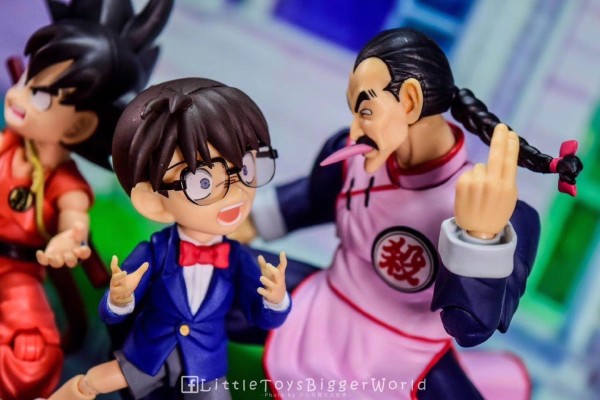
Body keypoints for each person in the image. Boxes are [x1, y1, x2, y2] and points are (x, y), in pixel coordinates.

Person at [238, 29, 582, 399]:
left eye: (365, 111)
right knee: (209, 271)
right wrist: (234, 225)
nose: (355, 129)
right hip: (324, 303)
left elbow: (468, 328)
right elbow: (308, 201)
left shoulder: (507, 217)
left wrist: (481, 239)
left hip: (411, 350)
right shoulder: (352, 156)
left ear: (410, 101)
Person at [47, 78, 291, 400]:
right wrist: (120, 299)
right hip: (148, 355)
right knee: (93, 382)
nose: (235, 192)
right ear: (154, 202)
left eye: (245, 168)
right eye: (202, 182)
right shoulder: (155, 252)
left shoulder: (239, 260)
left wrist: (275, 299)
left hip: (205, 368)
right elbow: (111, 311)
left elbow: (263, 319)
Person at [0, 1, 172, 398]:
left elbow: (73, 216)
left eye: (40, 97)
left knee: (31, 353)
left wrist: (68, 238)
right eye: (26, 78)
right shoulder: (7, 145)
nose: (18, 96)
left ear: (79, 125)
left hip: (18, 270)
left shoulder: (65, 182)